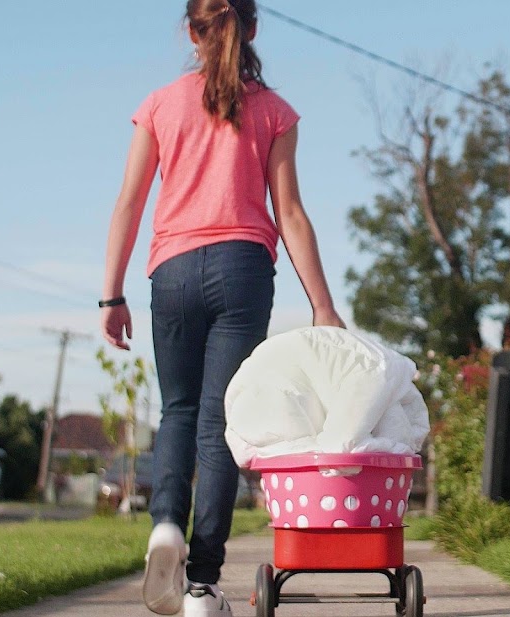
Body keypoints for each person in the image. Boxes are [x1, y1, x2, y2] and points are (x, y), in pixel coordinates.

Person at [99, 1, 345, 614]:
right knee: (219, 424)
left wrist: (112, 292)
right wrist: (323, 306)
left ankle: (164, 526)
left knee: (178, 410)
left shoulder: (159, 104)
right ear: (253, 27)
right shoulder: (275, 112)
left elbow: (128, 203)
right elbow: (290, 214)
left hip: (173, 271)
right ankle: (203, 586)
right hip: (242, 270)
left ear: (192, 30)